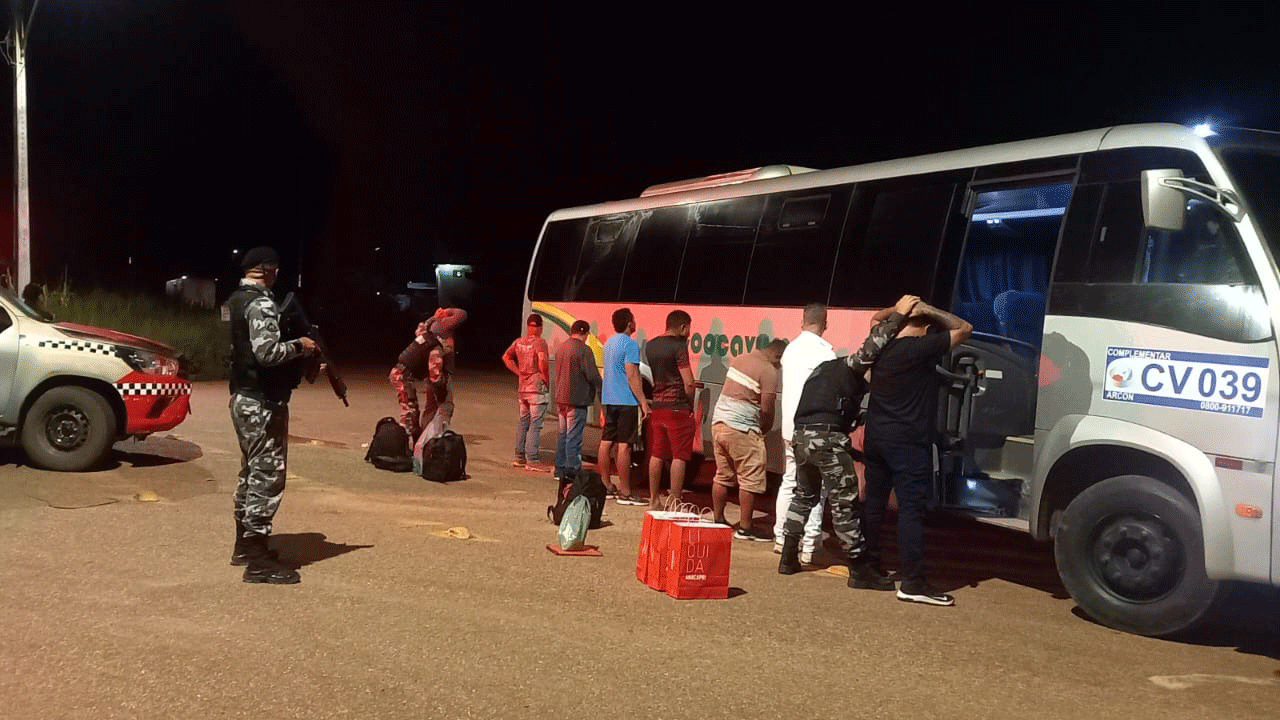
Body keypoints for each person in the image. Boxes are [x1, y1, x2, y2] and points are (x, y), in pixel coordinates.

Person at [778, 295, 919, 591]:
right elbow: (873, 346)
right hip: (826, 439)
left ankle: (788, 557)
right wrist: (898, 315)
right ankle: (860, 569)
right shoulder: (849, 366)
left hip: (802, 436)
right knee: (845, 503)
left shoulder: (822, 372)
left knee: (804, 496)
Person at [863, 300, 973, 606]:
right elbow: (965, 328)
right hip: (908, 442)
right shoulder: (921, 348)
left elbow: (876, 317)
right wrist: (927, 308)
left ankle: (868, 567)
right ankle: (912, 582)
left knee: (874, 505)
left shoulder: (880, 348)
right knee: (910, 510)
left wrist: (898, 310)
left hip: (876, 437)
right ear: (925, 328)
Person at [227, 246, 318, 585]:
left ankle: (244, 546)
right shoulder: (262, 303)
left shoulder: (235, 299)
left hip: (243, 397)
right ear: (265, 269)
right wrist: (301, 346)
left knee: (250, 472)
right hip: (263, 402)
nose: (277, 273)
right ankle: (258, 560)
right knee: (267, 475)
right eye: (274, 267)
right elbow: (266, 352)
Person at [772, 303, 835, 565]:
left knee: (790, 480)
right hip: (814, 427)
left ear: (802, 322)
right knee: (815, 487)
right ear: (825, 324)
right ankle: (809, 545)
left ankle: (780, 538)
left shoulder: (790, 350)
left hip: (790, 426)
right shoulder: (825, 353)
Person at [711, 338, 786, 541]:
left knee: (723, 475)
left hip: (719, 422)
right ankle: (745, 527)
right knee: (750, 478)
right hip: (741, 428)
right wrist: (765, 428)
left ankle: (717, 519)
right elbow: (767, 408)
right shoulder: (768, 370)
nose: (780, 368)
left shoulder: (741, 358)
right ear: (778, 357)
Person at [644, 310, 696, 510]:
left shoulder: (651, 345)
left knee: (657, 454)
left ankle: (654, 499)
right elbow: (689, 383)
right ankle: (675, 500)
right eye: (689, 328)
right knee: (678, 456)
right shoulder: (679, 346)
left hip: (658, 406)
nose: (690, 333)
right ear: (683, 326)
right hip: (677, 408)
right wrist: (690, 404)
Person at [597, 307, 648, 505]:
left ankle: (606, 484)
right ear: (629, 323)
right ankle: (626, 492)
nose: (635, 323)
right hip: (626, 400)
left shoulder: (609, 343)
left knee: (606, 442)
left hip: (608, 398)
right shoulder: (630, 344)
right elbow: (632, 375)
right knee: (624, 446)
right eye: (633, 320)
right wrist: (643, 401)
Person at [553, 320, 601, 480]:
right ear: (586, 333)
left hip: (561, 399)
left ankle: (559, 469)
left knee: (563, 435)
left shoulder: (562, 347)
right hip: (577, 399)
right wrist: (602, 387)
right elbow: (592, 375)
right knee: (574, 437)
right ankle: (572, 471)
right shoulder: (584, 350)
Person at [503, 313, 551, 471]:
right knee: (535, 424)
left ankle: (519, 457)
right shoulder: (540, 343)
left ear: (528, 327)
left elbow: (506, 357)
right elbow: (543, 363)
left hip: (522, 388)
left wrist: (518, 372)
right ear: (540, 328)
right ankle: (533, 460)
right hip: (536, 389)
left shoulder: (519, 342)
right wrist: (545, 380)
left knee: (523, 422)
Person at [409, 339, 455, 473]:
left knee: (431, 412)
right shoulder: (437, 345)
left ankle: (424, 451)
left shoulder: (430, 341)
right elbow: (435, 371)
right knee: (442, 411)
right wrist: (439, 386)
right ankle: (432, 452)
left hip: (433, 381)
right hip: (437, 382)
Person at [421, 306, 468, 372]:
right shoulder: (435, 322)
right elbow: (426, 325)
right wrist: (435, 317)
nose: (441, 312)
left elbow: (462, 314)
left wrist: (446, 311)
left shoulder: (448, 322)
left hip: (445, 345)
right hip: (435, 344)